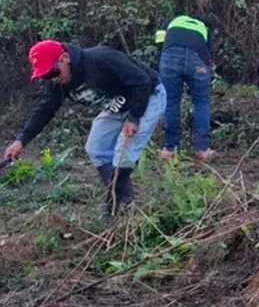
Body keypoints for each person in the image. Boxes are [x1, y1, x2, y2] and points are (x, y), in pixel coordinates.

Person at [3, 40, 166, 219]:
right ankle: (124, 198)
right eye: (45, 75)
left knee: (123, 154)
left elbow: (142, 81)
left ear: (64, 58)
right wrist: (21, 140)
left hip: (148, 96)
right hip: (117, 106)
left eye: (53, 72)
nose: (52, 78)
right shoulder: (58, 83)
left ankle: (112, 209)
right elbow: (44, 110)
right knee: (95, 147)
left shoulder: (100, 59)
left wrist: (134, 118)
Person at [155, 15, 216, 162]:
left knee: (171, 100)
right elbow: (208, 52)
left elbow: (159, 42)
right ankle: (202, 149)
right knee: (201, 101)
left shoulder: (170, 21)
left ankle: (170, 149)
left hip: (170, 55)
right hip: (197, 59)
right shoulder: (204, 27)